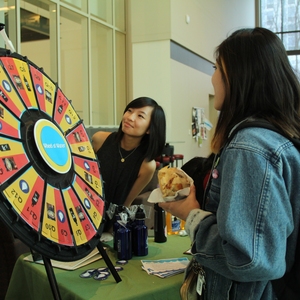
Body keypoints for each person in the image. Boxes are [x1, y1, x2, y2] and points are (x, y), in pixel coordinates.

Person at [159, 27, 300, 299]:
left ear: (237, 75)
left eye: (216, 68)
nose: (212, 79)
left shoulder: (249, 148)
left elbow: (247, 257)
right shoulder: (280, 138)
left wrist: (191, 214)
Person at [92, 97, 166, 228]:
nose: (130, 117)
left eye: (140, 116)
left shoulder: (147, 165)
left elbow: (126, 204)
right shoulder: (99, 140)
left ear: (150, 129)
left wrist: (113, 231)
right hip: (83, 211)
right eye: (129, 110)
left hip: (107, 224)